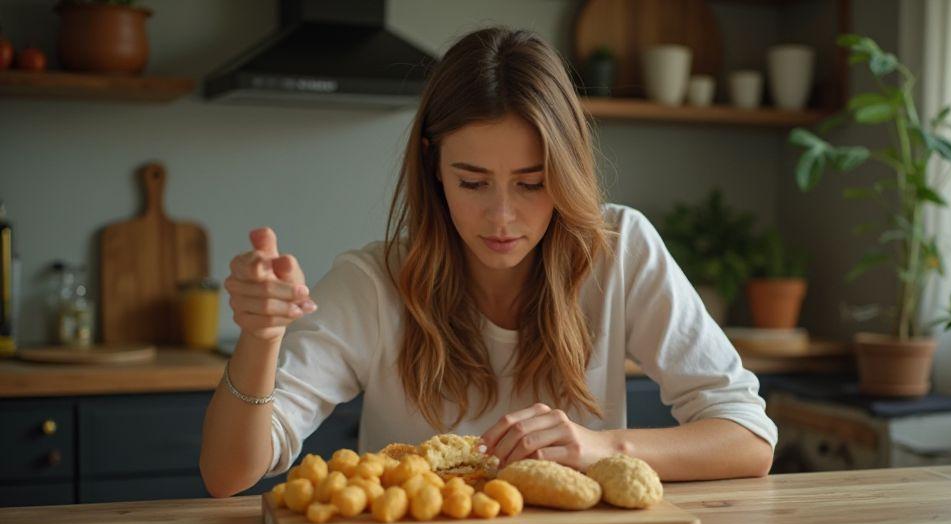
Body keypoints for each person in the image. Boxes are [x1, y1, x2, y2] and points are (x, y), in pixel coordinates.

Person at [199, 27, 776, 498]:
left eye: (531, 184)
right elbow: (228, 475)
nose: (502, 218)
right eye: (472, 182)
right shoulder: (372, 283)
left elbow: (749, 438)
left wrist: (602, 447)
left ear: (567, 173)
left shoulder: (619, 248)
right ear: (433, 167)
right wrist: (261, 336)